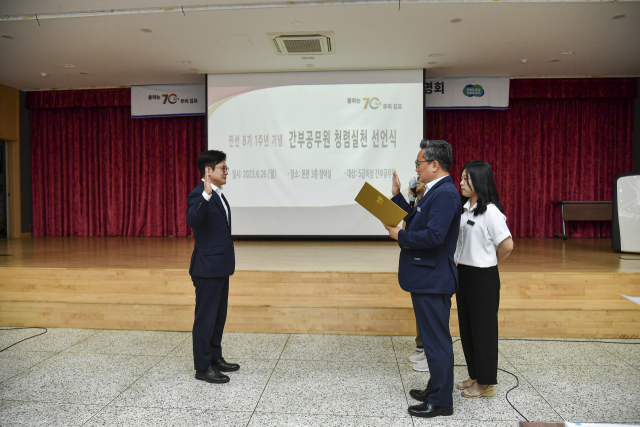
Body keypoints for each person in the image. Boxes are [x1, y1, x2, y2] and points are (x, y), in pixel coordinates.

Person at [384, 139, 461, 418]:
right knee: (431, 340)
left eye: (418, 163)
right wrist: (396, 199)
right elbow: (417, 219)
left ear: (434, 165)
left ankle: (441, 401)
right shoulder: (433, 191)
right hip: (426, 275)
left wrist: (399, 236)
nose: (416, 168)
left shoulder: (445, 194)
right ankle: (435, 388)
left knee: (437, 340)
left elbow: (433, 236)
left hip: (434, 277)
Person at [454, 160, 513, 398]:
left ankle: (486, 383)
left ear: (479, 180)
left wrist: (490, 261)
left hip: (483, 276)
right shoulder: (466, 207)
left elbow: (507, 245)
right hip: (464, 273)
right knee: (467, 329)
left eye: (466, 178)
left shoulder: (491, 212)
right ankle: (475, 374)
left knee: (483, 331)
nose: (461, 182)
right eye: (461, 178)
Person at [186, 150, 239, 384]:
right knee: (205, 319)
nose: (226, 172)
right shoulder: (199, 195)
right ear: (208, 171)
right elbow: (192, 220)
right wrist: (205, 196)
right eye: (222, 168)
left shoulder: (219, 194)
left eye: (226, 168)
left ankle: (215, 358)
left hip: (220, 266)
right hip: (207, 268)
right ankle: (202, 367)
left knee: (218, 317)